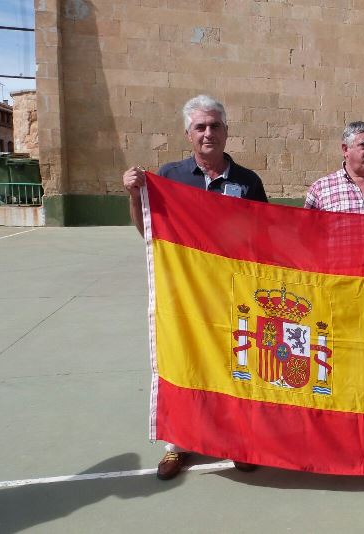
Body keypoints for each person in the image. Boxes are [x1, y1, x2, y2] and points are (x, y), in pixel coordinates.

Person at [122, 94, 267, 480]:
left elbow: (265, 239)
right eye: (200, 127)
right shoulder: (169, 177)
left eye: (215, 126)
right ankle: (178, 445)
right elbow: (148, 233)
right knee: (182, 360)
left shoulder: (248, 181)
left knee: (238, 365)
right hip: (183, 293)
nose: (208, 133)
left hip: (233, 295)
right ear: (188, 134)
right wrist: (135, 196)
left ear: (226, 131)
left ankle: (238, 439)